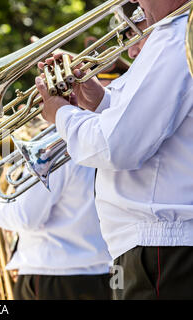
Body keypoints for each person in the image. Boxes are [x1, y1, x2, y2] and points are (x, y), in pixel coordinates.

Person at [35, 0, 193, 299]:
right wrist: (98, 102)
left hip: (161, 248)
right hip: (153, 249)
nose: (135, 0)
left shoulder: (174, 33)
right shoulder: (176, 33)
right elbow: (154, 130)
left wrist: (61, 114)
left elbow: (117, 147)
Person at [0, 151, 112, 300]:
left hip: (51, 276)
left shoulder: (52, 148)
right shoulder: (93, 143)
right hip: (97, 275)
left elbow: (26, 216)